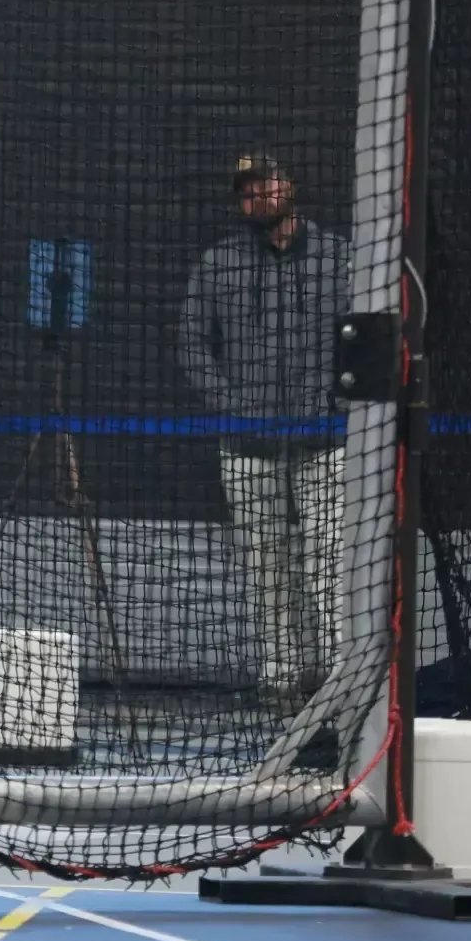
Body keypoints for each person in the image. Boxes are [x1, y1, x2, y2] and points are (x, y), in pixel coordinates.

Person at [178, 152, 353, 696]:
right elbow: (190, 340)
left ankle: (338, 677)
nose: (259, 196)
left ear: (289, 186)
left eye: (267, 184)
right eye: (248, 190)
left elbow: (369, 335)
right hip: (248, 442)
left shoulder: (339, 258)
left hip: (323, 440)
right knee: (267, 563)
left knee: (330, 560)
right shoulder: (219, 262)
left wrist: (341, 404)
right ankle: (281, 678)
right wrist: (230, 404)